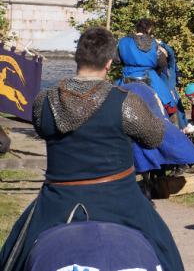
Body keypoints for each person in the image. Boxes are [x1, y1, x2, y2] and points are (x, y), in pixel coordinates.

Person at [0, 26, 184, 271]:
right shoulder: (126, 101)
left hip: (57, 201)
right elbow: (154, 138)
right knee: (168, 253)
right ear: (109, 63)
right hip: (121, 200)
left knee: (11, 257)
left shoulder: (43, 100)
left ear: (76, 58)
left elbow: (44, 130)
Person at [114, 18, 179, 124]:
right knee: (169, 103)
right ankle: (174, 128)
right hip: (149, 74)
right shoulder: (153, 42)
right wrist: (157, 73)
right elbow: (162, 62)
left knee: (109, 97)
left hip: (128, 74)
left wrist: (129, 59)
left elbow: (116, 60)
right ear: (149, 29)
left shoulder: (123, 41)